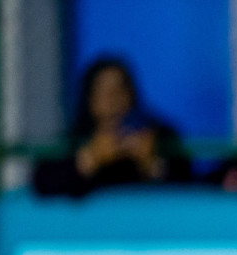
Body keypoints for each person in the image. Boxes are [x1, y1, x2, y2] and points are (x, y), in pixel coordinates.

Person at [32, 56, 191, 197]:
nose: (113, 100)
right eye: (103, 92)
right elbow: (43, 184)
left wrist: (153, 165)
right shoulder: (73, 140)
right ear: (89, 99)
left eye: (120, 90)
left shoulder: (159, 135)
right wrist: (91, 159)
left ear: (132, 95)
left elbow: (192, 187)